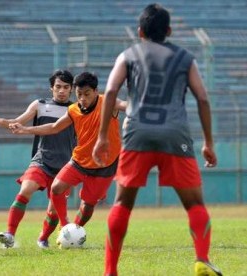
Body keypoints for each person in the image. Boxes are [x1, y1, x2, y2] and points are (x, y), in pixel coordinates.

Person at [92, 4, 222, 276]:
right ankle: (201, 259)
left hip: (137, 133)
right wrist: (208, 142)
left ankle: (110, 271)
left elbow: (112, 89)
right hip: (175, 135)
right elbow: (203, 97)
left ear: (140, 31)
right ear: (169, 31)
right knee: (195, 204)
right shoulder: (185, 58)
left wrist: (103, 136)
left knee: (122, 203)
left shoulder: (128, 55)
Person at [9, 72, 126, 238]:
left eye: (87, 94)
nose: (83, 99)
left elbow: (126, 105)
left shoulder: (108, 102)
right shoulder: (73, 109)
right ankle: (65, 227)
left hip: (104, 166)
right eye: (79, 95)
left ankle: (73, 232)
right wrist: (26, 129)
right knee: (57, 188)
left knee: (87, 207)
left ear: (95, 91)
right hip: (79, 161)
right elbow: (55, 127)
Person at [0, 69, 76, 249]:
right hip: (41, 161)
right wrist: (2, 121)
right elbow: (18, 122)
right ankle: (10, 235)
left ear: (71, 89)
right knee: (25, 190)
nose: (61, 91)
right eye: (58, 87)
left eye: (66, 87)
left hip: (65, 167)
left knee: (53, 211)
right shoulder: (39, 105)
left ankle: (43, 239)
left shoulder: (75, 110)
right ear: (51, 88)